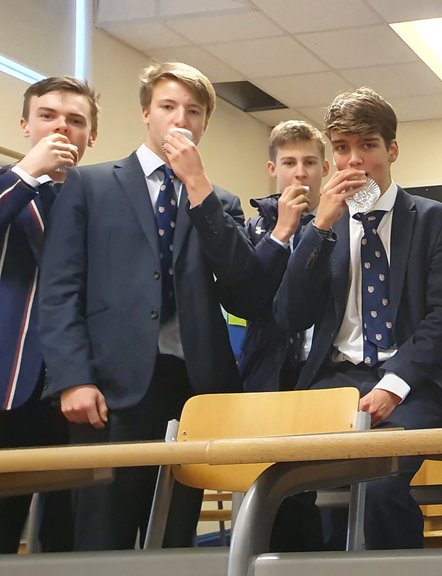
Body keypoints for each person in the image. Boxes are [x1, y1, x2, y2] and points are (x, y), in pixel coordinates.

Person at [39, 62, 260, 549]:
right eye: (167, 106)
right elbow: (59, 289)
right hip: (106, 389)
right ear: (146, 113)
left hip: (193, 389)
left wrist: (199, 186)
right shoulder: (90, 185)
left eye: (193, 111)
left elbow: (244, 290)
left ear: (205, 124)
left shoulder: (219, 200)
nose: (180, 119)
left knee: (174, 540)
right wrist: (73, 377)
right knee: (102, 538)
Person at [274, 87, 442, 550]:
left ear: (392, 150)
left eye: (368, 145)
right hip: (334, 381)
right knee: (281, 478)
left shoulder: (436, 221)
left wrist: (393, 386)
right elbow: (289, 315)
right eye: (342, 148)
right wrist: (320, 228)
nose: (355, 161)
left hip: (413, 383)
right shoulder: (321, 227)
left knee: (379, 484)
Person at [0, 75, 97, 553]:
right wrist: (26, 174)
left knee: (67, 539)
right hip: (7, 385)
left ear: (91, 136)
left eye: (75, 120)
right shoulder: (6, 183)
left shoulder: (101, 198)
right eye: (47, 116)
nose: (62, 127)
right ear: (25, 125)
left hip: (77, 391)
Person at [239, 120, 328, 393]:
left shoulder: (345, 228)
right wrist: (281, 232)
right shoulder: (252, 230)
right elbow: (246, 299)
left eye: (310, 162)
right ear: (272, 169)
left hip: (327, 370)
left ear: (325, 168)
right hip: (266, 372)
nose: (300, 173)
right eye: (289, 163)